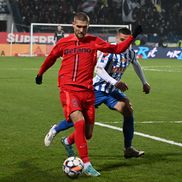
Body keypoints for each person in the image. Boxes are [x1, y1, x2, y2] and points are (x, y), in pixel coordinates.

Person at [35, 12, 142, 177]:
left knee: (87, 133)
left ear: (88, 27)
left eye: (84, 27)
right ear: (73, 25)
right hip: (68, 89)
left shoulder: (94, 41)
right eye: (78, 26)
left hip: (88, 91)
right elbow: (51, 58)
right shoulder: (64, 43)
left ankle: (66, 139)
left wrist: (132, 36)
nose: (81, 30)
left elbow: (117, 48)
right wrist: (40, 73)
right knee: (79, 120)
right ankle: (86, 164)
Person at [44, 27, 150, 159]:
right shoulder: (110, 50)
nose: (125, 42)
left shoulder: (130, 53)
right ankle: (56, 129)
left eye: (128, 40)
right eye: (122, 40)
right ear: (117, 39)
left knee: (127, 110)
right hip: (96, 90)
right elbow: (98, 69)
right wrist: (115, 82)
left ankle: (128, 148)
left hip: (112, 91)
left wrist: (144, 82)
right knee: (79, 119)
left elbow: (136, 64)